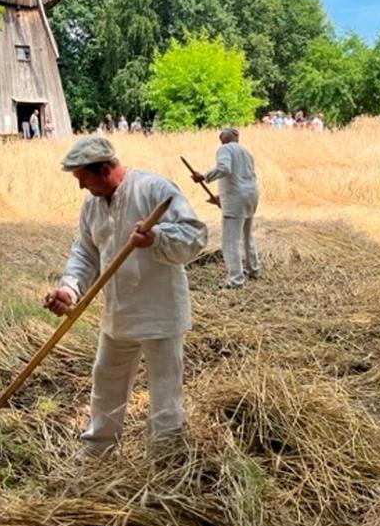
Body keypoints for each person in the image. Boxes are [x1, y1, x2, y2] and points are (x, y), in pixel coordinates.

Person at [44, 135, 207, 460]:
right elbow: (86, 254)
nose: (80, 187)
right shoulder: (92, 205)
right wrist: (69, 289)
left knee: (164, 393)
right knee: (106, 383)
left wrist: (157, 238)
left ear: (104, 169)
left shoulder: (155, 189)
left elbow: (195, 235)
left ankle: (166, 459)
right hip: (117, 315)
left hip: (160, 312)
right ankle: (98, 452)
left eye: (83, 179)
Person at [191, 127, 260, 290]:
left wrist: (203, 177)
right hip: (251, 195)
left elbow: (225, 168)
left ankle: (235, 280)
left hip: (236, 199)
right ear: (236, 137)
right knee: (247, 235)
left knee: (230, 240)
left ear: (223, 139)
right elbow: (241, 178)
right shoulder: (246, 152)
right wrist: (221, 198)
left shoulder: (224, 149)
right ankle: (253, 269)